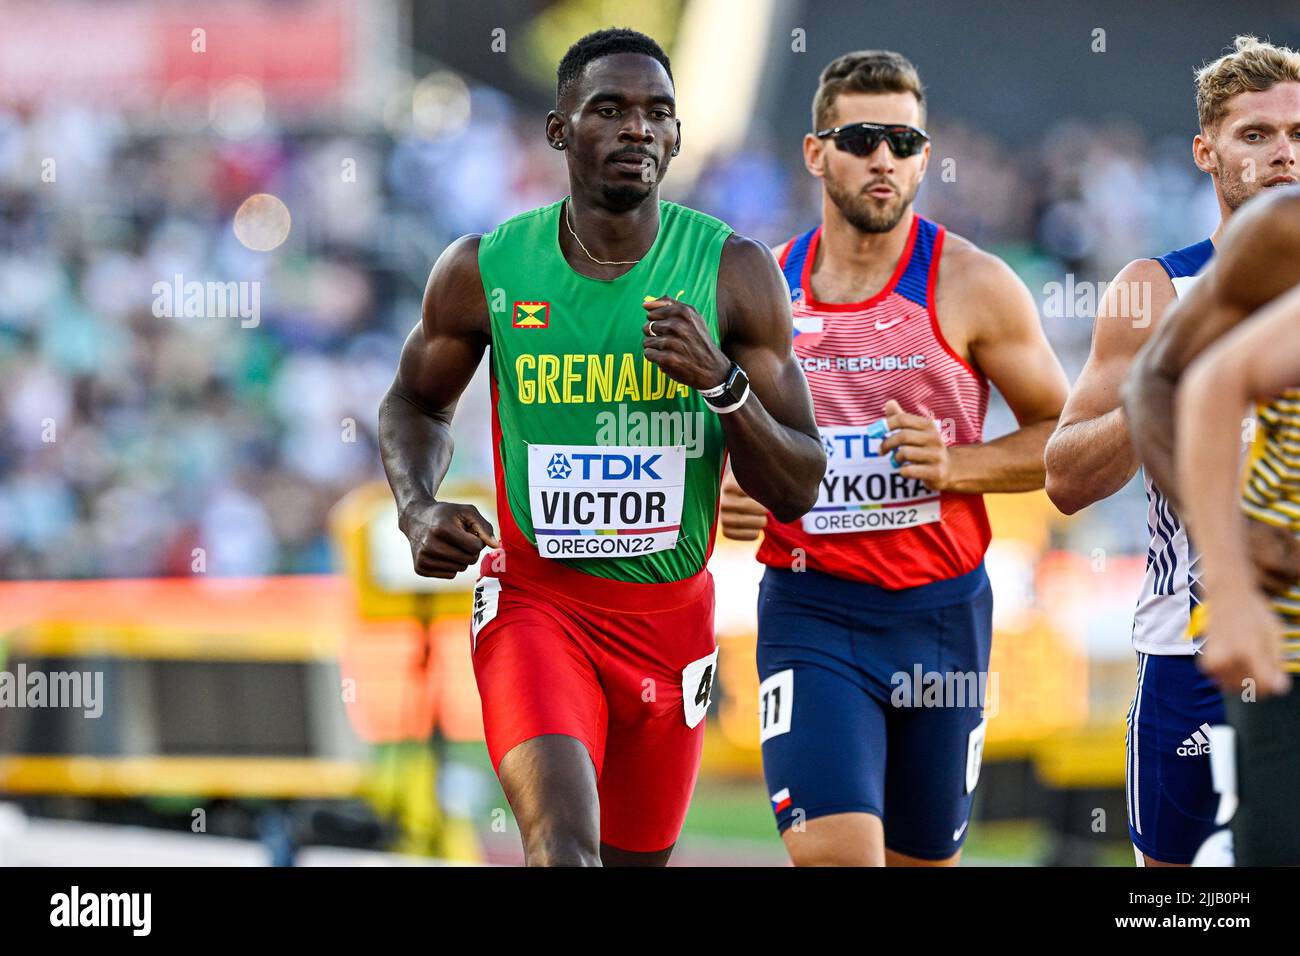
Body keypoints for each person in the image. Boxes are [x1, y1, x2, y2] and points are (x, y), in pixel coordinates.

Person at [378, 27, 824, 867]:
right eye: (610, 110)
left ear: (678, 135)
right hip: (537, 608)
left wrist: (722, 382)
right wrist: (416, 506)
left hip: (670, 623)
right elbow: (413, 402)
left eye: (658, 113)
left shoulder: (733, 272)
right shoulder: (486, 268)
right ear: (559, 130)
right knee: (564, 851)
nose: (637, 130)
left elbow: (799, 482)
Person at [720, 50, 1068, 866]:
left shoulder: (973, 283)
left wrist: (958, 466)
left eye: (905, 143)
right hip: (812, 612)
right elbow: (712, 436)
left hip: (942, 618)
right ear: (816, 152)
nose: (885, 158)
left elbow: (1066, 434)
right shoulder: (765, 287)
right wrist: (729, 487)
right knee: (837, 855)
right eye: (863, 138)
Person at [1044, 35, 1300, 866]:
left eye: (1297, 135)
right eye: (1255, 136)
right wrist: (1172, 381)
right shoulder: (1157, 289)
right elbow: (1066, 477)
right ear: (1206, 152)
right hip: (1191, 648)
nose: (1283, 155)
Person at [1124, 185, 1300, 866]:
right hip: (1280, 632)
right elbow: (1193, 382)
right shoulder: (1280, 234)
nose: (1283, 154)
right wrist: (1228, 576)